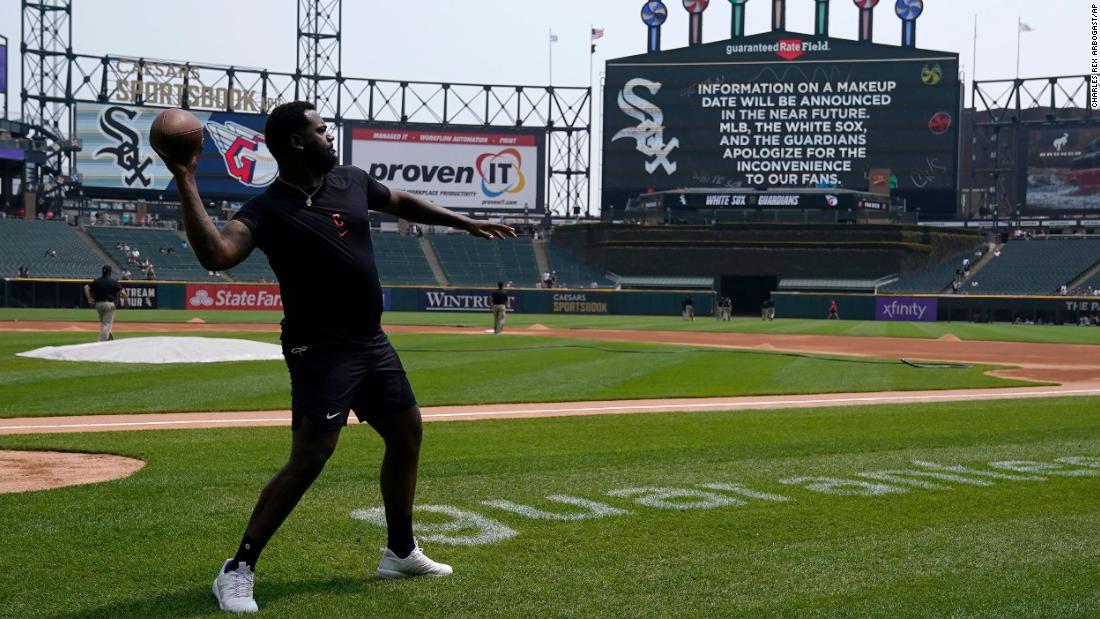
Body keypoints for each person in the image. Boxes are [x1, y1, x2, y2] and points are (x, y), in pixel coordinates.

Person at [159, 101, 517, 614]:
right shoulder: (265, 210)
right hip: (319, 349)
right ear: (298, 143)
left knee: (406, 432)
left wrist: (465, 222)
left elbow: (402, 201)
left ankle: (399, 550)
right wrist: (187, 180)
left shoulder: (350, 180)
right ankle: (237, 569)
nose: (331, 137)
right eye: (321, 130)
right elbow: (217, 255)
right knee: (310, 457)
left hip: (371, 340)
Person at [83, 265, 128, 342]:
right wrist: (125, 298)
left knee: (105, 323)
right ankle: (100, 342)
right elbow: (123, 294)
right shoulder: (113, 282)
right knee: (106, 324)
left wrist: (89, 298)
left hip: (98, 305)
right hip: (109, 305)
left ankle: (110, 340)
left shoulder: (97, 281)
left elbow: (86, 287)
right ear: (110, 272)